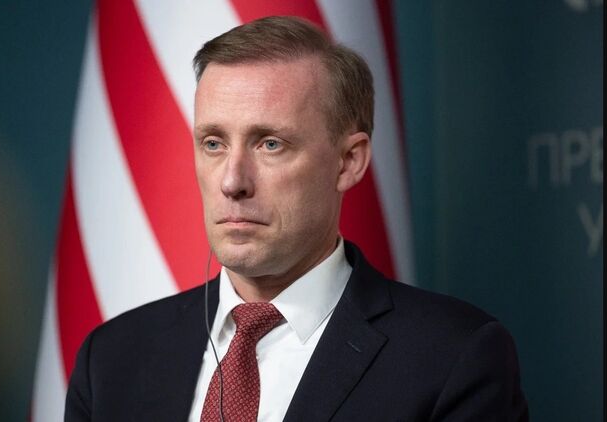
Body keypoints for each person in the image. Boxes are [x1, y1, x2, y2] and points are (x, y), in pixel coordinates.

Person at [65, 16, 528, 421]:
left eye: (270, 144)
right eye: (213, 143)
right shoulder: (111, 358)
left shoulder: (454, 357)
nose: (232, 181)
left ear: (348, 162)